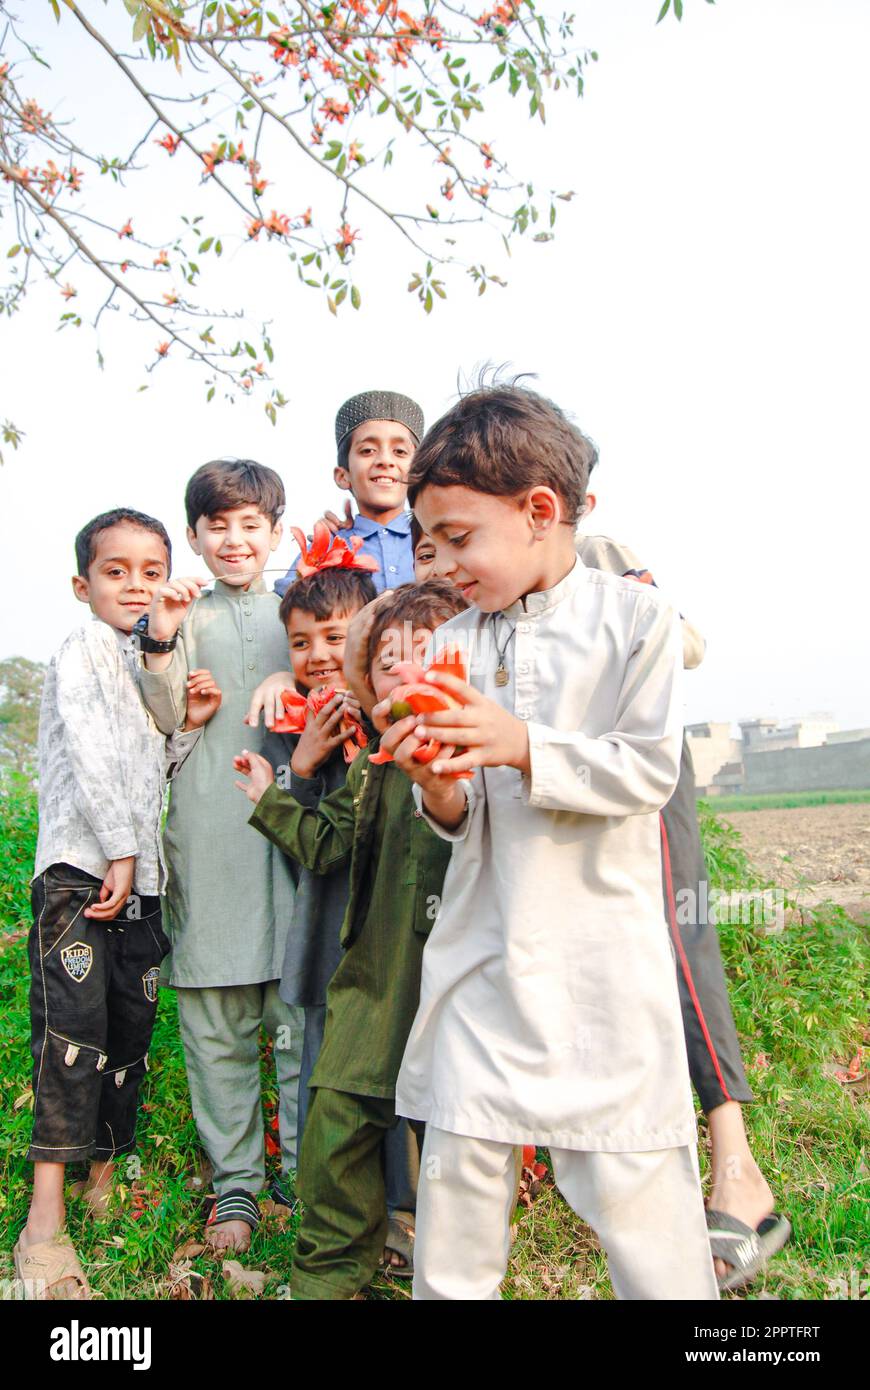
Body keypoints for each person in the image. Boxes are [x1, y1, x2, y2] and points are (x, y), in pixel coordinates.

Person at [380, 383, 720, 1300]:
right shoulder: (448, 640)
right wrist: (438, 788)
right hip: (484, 958)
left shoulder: (636, 622)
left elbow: (648, 771)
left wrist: (524, 744)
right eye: (431, 541)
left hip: (601, 965)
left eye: (459, 537)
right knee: (457, 1197)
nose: (443, 562)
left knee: (644, 1211)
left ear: (541, 511)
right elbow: (463, 819)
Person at [234, 580, 469, 1299]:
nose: (400, 670)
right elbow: (327, 843)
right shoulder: (371, 767)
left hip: (459, 989)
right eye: (385, 660)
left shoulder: (486, 756)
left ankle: (449, 1278)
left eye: (420, 654)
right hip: (372, 984)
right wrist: (270, 798)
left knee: (456, 1150)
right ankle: (331, 1282)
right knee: (336, 1130)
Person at [576, 503, 790, 1289]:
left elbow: (685, 643)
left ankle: (738, 1168)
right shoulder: (429, 554)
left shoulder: (594, 550)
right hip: (534, 793)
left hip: (633, 768)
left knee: (679, 940)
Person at [14, 509, 217, 1300]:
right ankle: (44, 1223)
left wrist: (187, 731)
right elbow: (96, 761)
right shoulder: (83, 650)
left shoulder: (142, 663)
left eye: (150, 570)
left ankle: (101, 1177)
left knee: (129, 1026)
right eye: (116, 571)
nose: (135, 585)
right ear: (82, 584)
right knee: (71, 1036)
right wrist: (122, 854)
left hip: (137, 881)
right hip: (80, 872)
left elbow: (146, 770)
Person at [136, 459, 304, 1252]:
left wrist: (290, 664)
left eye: (250, 525)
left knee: (303, 1020)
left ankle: (305, 1182)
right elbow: (162, 717)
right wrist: (164, 638)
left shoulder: (299, 610)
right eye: (217, 525)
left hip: (297, 845)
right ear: (196, 536)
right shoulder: (178, 615)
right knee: (215, 1024)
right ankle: (235, 1188)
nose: (234, 540)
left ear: (277, 532)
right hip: (208, 844)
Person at [275, 390, 424, 599]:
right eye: (368, 450)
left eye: (400, 451)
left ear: (418, 471)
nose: (385, 461)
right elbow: (287, 600)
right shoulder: (327, 547)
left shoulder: (433, 538)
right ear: (343, 476)